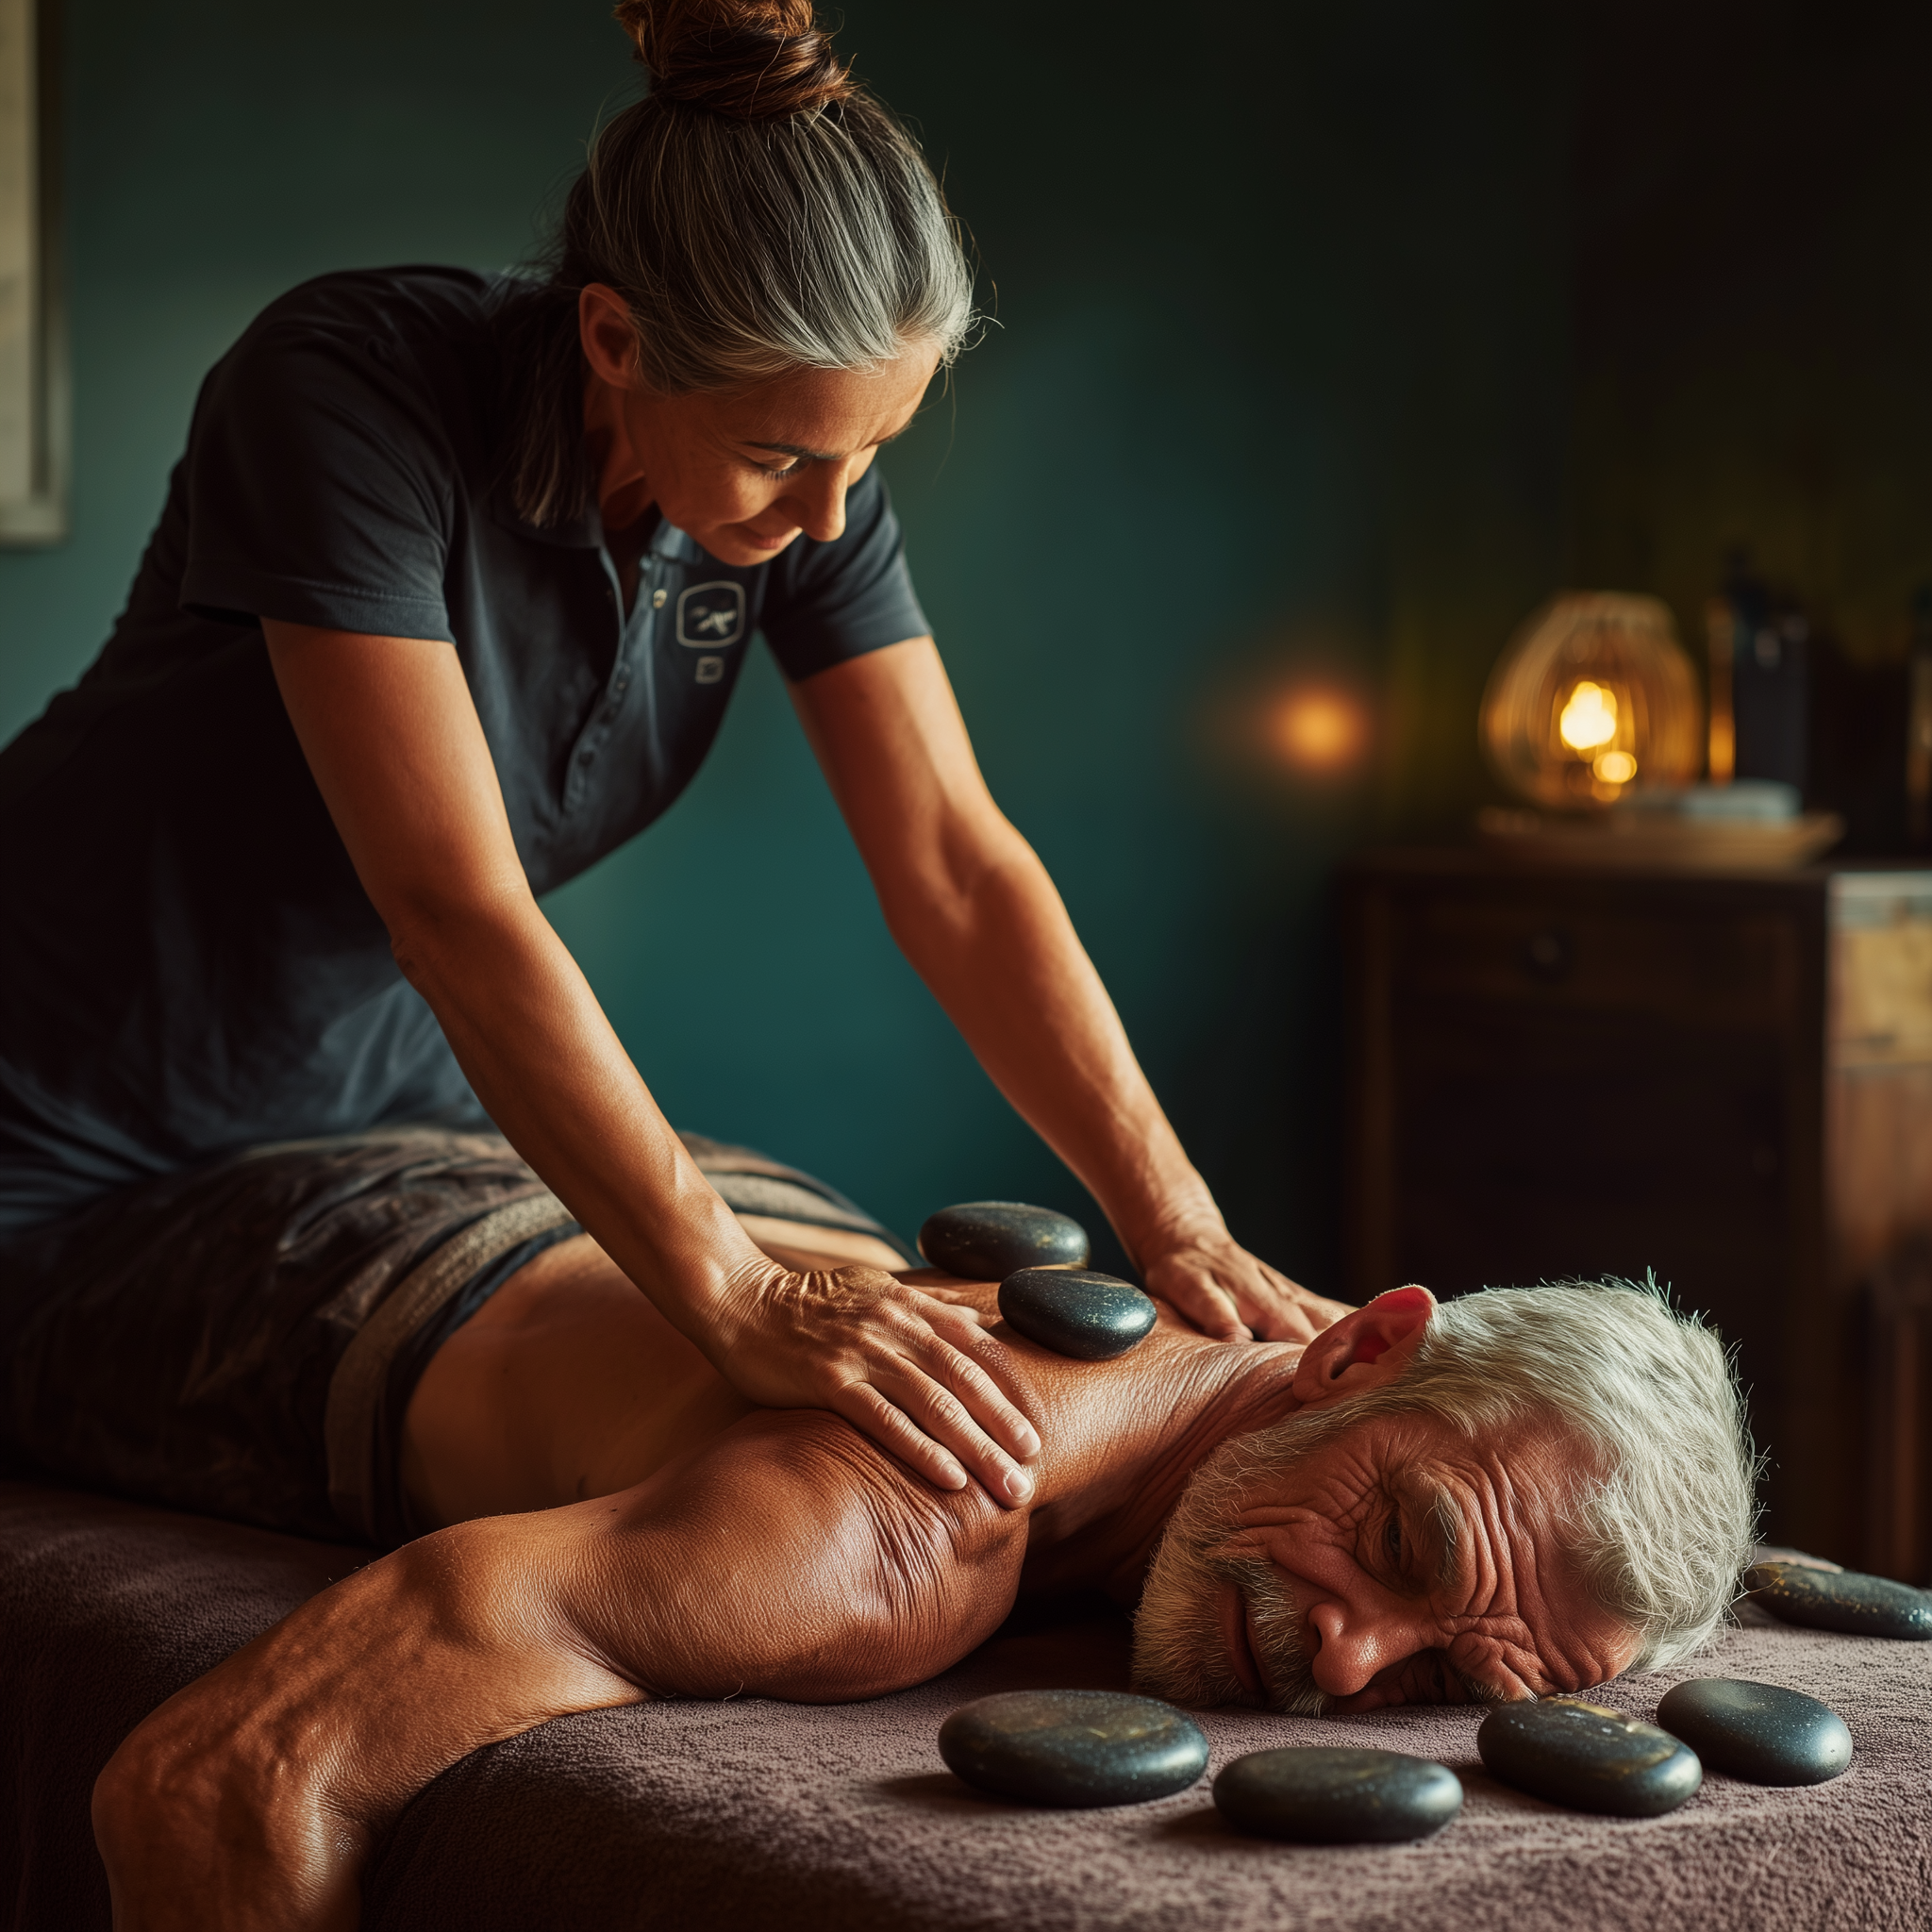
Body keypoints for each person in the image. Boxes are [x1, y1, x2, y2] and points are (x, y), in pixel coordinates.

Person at [0, 0, 1347, 1515]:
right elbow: (456, 911)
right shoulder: (346, 395)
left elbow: (960, 867)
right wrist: (732, 1290)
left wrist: (1174, 1222)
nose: (834, 517)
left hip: (369, 1112)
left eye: (874, 454)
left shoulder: (793, 491)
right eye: (788, 456)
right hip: (51, 1130)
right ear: (614, 336)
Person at [92, 1261, 1757, 1928]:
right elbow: (219, 1780)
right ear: (1357, 1348)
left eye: (1442, 1684)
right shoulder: (883, 1536)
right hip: (287, 1257)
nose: (1349, 1659)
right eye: (1403, 1551)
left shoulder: (1237, 1393)